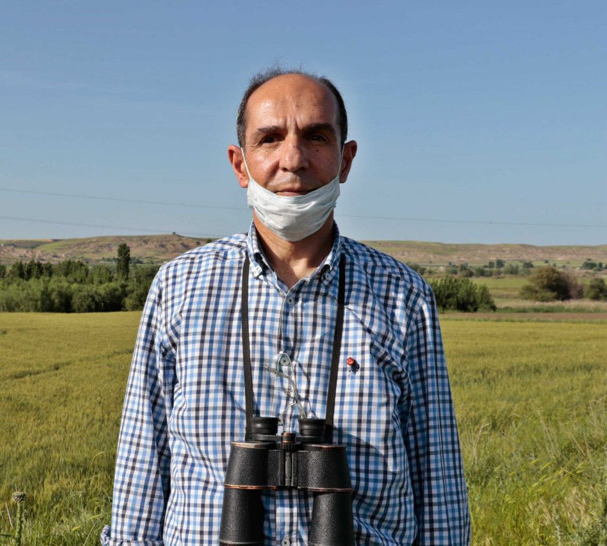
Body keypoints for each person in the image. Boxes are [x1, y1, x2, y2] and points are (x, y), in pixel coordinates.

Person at [102, 69, 470, 545]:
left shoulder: (403, 296)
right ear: (240, 164)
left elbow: (437, 487)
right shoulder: (178, 286)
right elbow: (141, 475)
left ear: (346, 158)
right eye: (270, 139)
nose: (292, 160)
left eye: (316, 137)